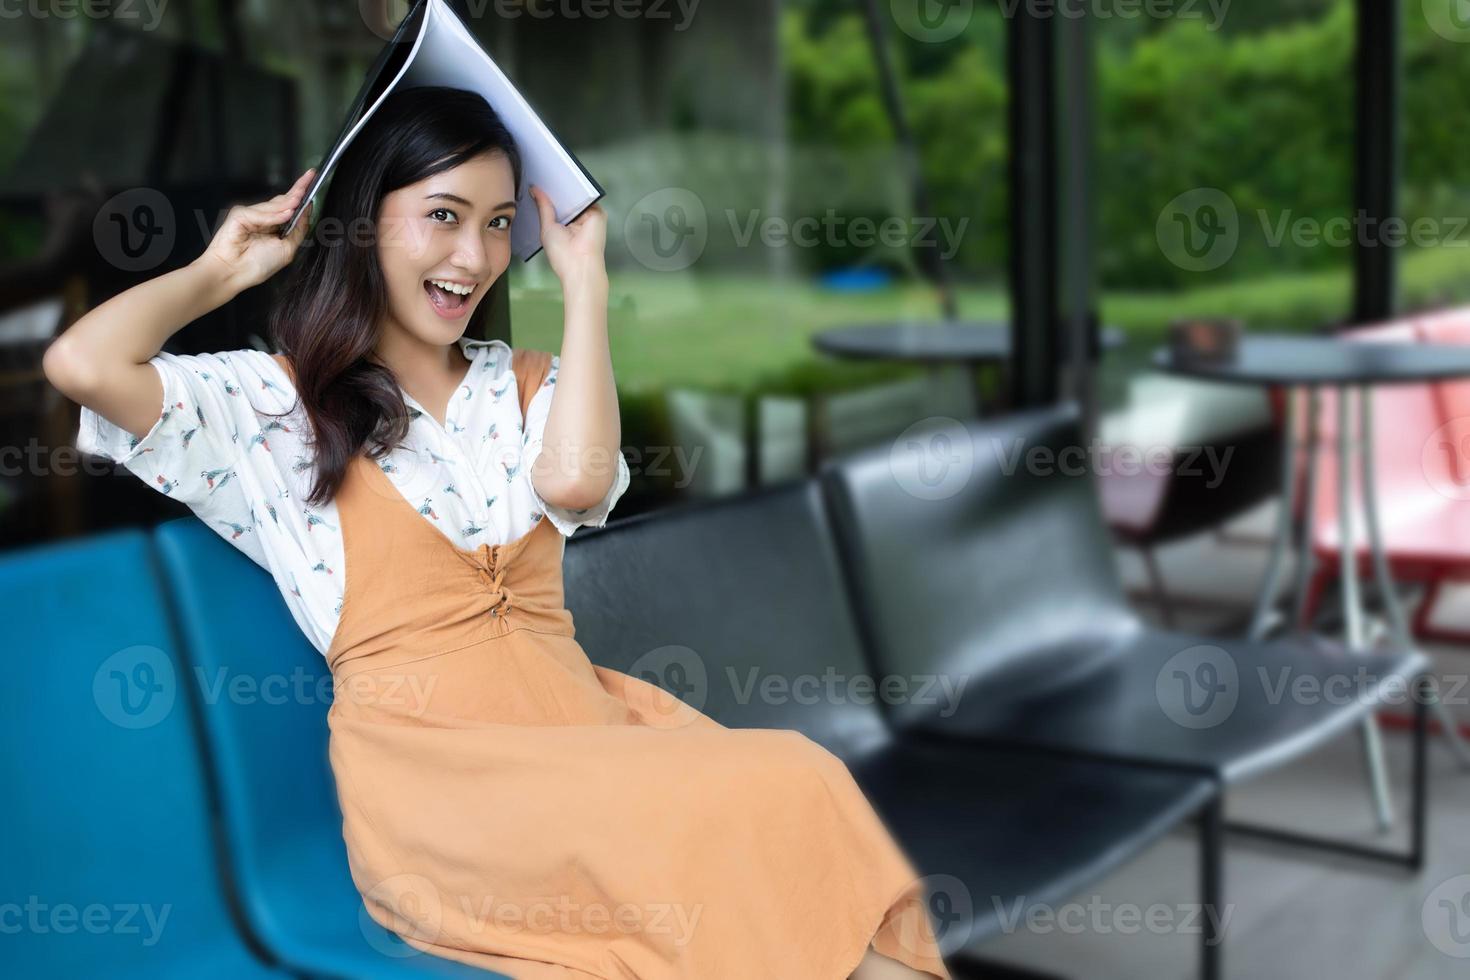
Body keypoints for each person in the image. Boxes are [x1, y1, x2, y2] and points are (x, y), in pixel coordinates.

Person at [44, 86, 952, 980]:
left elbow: (576, 479)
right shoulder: (274, 408)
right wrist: (222, 271)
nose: (472, 256)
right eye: (443, 215)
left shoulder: (520, 382)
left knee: (798, 783)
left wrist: (585, 280)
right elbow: (81, 363)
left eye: (495, 223)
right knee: (738, 814)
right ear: (364, 222)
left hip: (581, 733)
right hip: (441, 788)